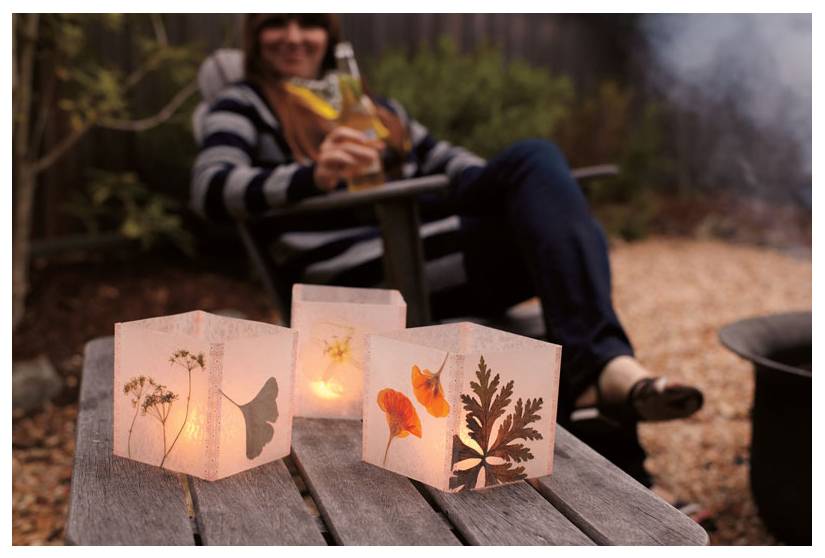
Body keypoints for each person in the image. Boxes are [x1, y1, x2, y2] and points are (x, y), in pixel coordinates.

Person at [190, 13, 704, 486]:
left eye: (310, 24)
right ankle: (612, 391)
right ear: (255, 36)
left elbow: (447, 160)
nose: (294, 35)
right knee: (568, 232)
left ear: (330, 35)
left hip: (426, 250)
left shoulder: (373, 108)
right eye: (277, 23)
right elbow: (212, 188)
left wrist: (527, 190)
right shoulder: (243, 104)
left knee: (540, 173)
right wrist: (311, 175)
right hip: (359, 277)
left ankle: (606, 397)